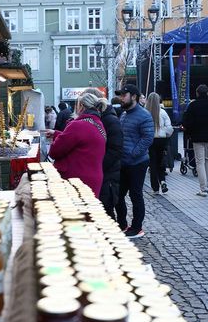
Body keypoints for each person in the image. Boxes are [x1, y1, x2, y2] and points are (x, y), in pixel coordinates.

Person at [47, 93, 107, 196]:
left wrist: (55, 139)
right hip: (93, 179)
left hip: (76, 181)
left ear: (81, 107)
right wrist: (57, 134)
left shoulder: (77, 125)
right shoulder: (98, 124)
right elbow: (82, 140)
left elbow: (54, 152)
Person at [115, 83, 154, 238]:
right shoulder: (124, 114)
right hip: (123, 162)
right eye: (120, 95)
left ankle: (137, 227)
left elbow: (147, 138)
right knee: (118, 195)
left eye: (123, 95)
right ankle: (122, 224)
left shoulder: (144, 115)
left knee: (135, 195)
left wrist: (133, 153)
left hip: (137, 162)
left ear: (134, 96)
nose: (121, 98)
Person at [83, 88, 123, 219]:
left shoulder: (109, 119)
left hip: (108, 174)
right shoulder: (99, 118)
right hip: (102, 172)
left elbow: (115, 149)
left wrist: (98, 165)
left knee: (106, 210)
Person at [182, 84, 208, 197]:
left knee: (200, 162)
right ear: (207, 93)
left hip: (197, 137)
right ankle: (207, 185)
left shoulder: (193, 105)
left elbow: (187, 121)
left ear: (197, 93)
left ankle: (203, 188)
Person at [146, 92, 173, 194]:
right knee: (161, 161)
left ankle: (155, 188)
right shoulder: (163, 112)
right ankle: (162, 181)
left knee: (152, 164)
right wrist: (165, 134)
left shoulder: (145, 112)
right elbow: (169, 127)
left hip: (150, 140)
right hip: (161, 140)